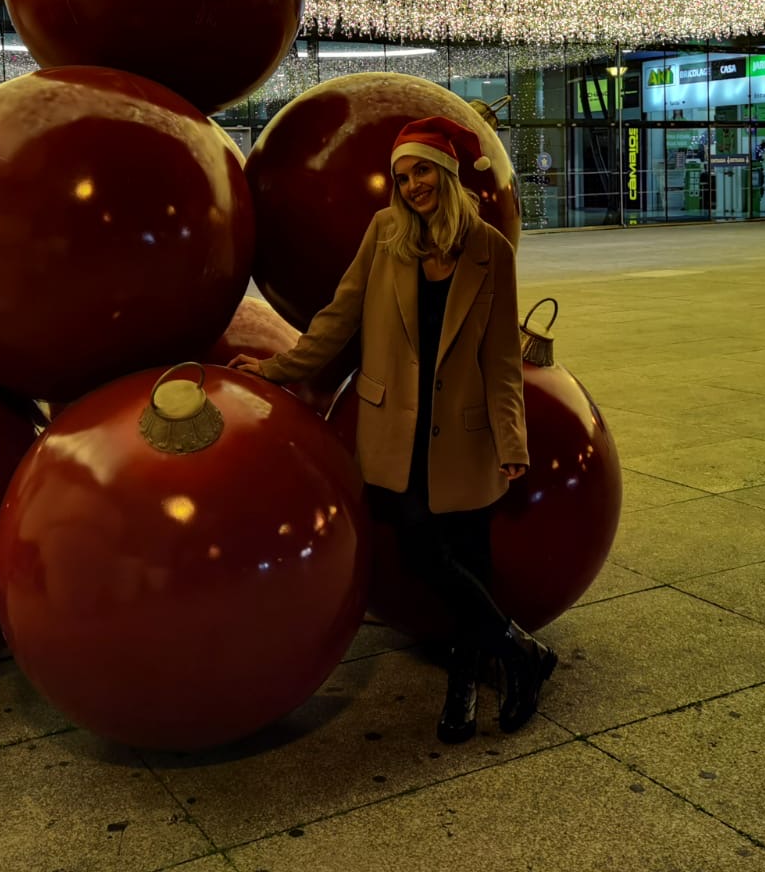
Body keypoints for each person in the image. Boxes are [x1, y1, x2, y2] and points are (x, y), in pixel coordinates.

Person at [230, 116, 556, 743]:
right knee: (420, 547)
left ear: (448, 174)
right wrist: (279, 368)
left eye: (422, 172)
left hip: (465, 433)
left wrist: (512, 441)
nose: (412, 187)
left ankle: (466, 683)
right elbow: (337, 319)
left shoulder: (491, 250)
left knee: (470, 559)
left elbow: (501, 360)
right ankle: (522, 654)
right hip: (395, 435)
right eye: (402, 177)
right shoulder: (384, 236)